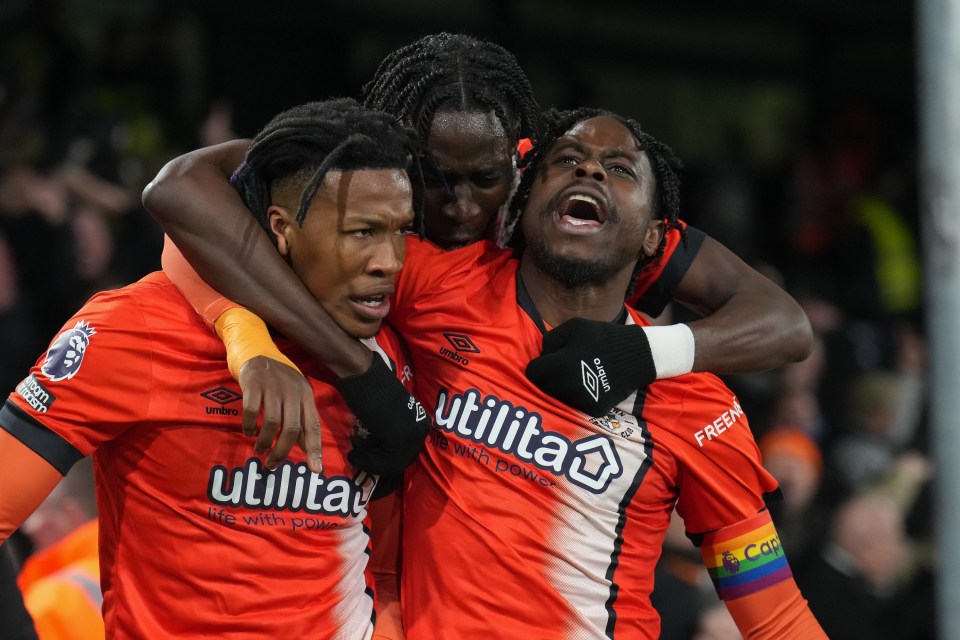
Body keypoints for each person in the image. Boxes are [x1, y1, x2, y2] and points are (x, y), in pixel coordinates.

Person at [151, 106, 828, 638]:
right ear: (524, 202)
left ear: (656, 237)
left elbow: (773, 616)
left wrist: (643, 357)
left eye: (619, 168)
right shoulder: (432, 282)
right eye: (568, 160)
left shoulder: (699, 406)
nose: (589, 172)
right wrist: (261, 344)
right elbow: (192, 209)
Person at [144, 32, 814, 424]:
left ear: (517, 158)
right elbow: (180, 197)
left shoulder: (559, 206)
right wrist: (339, 363)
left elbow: (784, 326)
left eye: (484, 181)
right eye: (435, 181)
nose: (462, 208)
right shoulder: (356, 164)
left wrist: (645, 355)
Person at [0, 98, 431, 638]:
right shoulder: (133, 328)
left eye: (401, 232)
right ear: (281, 228)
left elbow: (385, 571)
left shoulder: (387, 353)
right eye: (362, 232)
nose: (389, 261)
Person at [17, 456, 103, 640]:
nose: (28, 529)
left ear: (70, 513)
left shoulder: (48, 601)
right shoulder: (149, 566)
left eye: (37, 514)